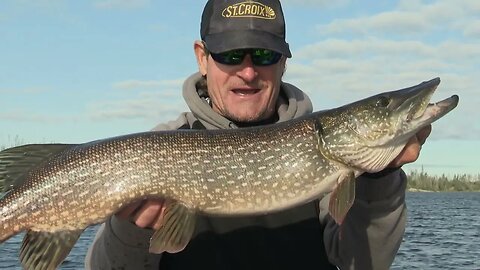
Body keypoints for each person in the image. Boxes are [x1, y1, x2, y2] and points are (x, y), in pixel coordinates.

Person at [85, 0, 431, 269]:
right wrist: (133, 230)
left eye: (264, 55)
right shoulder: (167, 141)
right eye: (230, 54)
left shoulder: (330, 161)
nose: (248, 71)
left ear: (283, 62)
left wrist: (380, 178)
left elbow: (363, 263)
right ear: (202, 58)